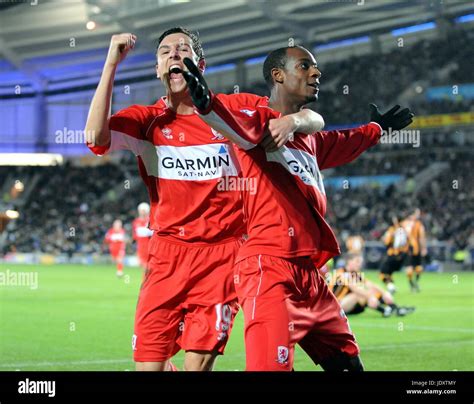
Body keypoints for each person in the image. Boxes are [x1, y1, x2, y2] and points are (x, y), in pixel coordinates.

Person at [84, 28, 324, 371]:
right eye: (165, 52)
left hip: (222, 257)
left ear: (201, 65)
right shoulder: (146, 120)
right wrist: (111, 64)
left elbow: (316, 119)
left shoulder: (234, 110)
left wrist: (295, 119)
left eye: (183, 49)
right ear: (157, 69)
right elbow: (94, 137)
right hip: (166, 255)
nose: (174, 55)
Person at [181, 45, 414, 370]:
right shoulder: (260, 126)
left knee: (348, 366)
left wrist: (377, 129)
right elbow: (231, 123)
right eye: (305, 66)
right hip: (269, 267)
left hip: (311, 276)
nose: (316, 73)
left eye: (316, 67)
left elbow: (347, 140)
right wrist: (205, 103)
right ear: (278, 75)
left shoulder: (311, 141)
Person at [330, 253, 415, 317]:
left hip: (348, 304)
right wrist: (370, 297)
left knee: (369, 291)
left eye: (360, 262)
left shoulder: (356, 273)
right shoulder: (340, 273)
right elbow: (355, 289)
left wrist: (384, 293)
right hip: (334, 307)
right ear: (349, 261)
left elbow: (370, 284)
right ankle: (386, 310)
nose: (359, 264)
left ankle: (393, 307)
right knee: (358, 294)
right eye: (357, 261)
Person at [380, 215, 409, 294]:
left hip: (392, 255)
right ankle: (391, 287)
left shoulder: (392, 230)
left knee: (382, 273)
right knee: (389, 273)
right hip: (401, 255)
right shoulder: (403, 230)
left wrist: (384, 239)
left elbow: (387, 242)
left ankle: (391, 287)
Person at [402, 208, 427, 292]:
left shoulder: (403, 223)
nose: (419, 215)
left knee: (409, 268)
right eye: (417, 213)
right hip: (415, 249)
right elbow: (422, 237)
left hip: (405, 250)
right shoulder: (418, 224)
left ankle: (359, 286)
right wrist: (423, 248)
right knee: (418, 267)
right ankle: (415, 283)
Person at [132, 202, 153, 270]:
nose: (142, 212)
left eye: (144, 210)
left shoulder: (151, 221)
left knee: (148, 268)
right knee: (144, 267)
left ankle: (146, 280)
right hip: (141, 249)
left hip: (150, 247)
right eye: (141, 210)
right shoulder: (136, 222)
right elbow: (135, 237)